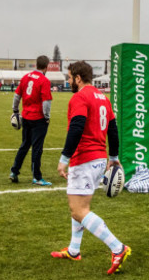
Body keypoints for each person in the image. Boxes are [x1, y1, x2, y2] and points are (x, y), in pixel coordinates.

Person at [51, 61, 131, 275]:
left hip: (84, 158)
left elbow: (76, 127)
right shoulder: (103, 98)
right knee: (77, 206)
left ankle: (118, 248)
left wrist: (64, 158)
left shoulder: (80, 97)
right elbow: (113, 130)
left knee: (79, 210)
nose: (68, 81)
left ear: (78, 77)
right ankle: (74, 250)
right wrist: (113, 157)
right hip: (99, 158)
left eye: (69, 77)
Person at [9, 55, 53, 186]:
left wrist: (15, 110)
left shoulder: (26, 77)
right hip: (38, 119)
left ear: (36, 65)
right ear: (46, 67)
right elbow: (46, 102)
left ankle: (14, 171)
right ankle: (37, 177)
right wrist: (47, 117)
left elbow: (17, 95)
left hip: (26, 117)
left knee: (24, 145)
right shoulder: (44, 81)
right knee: (37, 149)